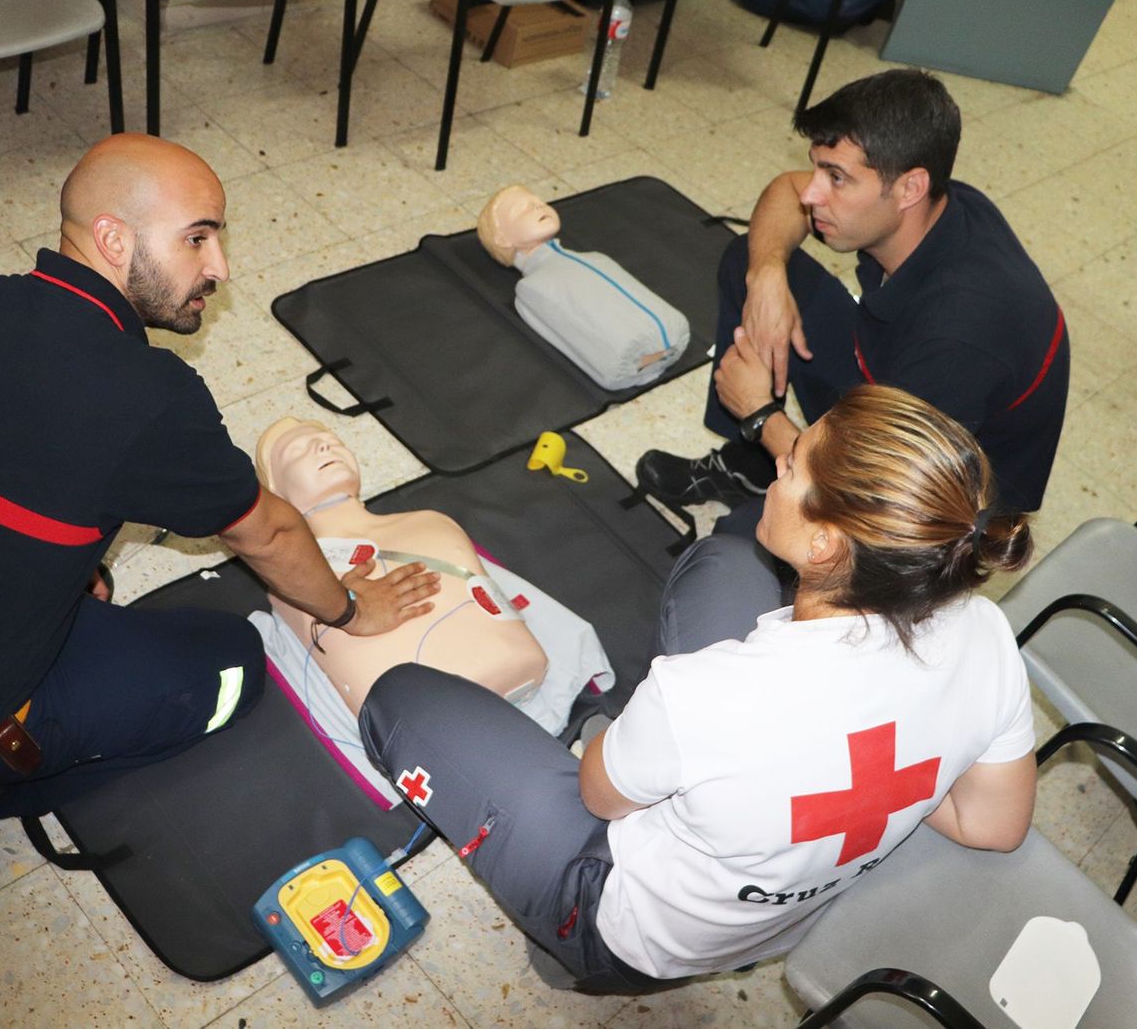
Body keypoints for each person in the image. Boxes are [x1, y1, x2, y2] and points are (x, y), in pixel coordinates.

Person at [0, 134, 438, 823]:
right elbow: (270, 534)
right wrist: (350, 611)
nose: (220, 268)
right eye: (197, 239)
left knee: (82, 585)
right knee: (236, 664)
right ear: (113, 240)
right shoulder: (150, 397)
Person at [359, 384, 1038, 992]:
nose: (777, 465)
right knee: (727, 559)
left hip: (628, 932)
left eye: (792, 465)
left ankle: (570, 947)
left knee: (398, 698)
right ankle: (680, 777)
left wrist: (674, 742)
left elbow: (600, 796)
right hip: (776, 916)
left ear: (826, 546)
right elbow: (995, 825)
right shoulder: (984, 633)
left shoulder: (706, 696)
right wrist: (896, 782)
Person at [638, 69, 1067, 519]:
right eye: (818, 168)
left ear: (910, 187)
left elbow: (873, 498)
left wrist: (759, 414)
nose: (811, 192)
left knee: (742, 549)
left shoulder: (961, 332)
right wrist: (766, 277)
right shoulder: (931, 206)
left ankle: (774, 455)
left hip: (939, 510)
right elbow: (786, 191)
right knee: (751, 258)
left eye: (837, 178)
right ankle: (753, 468)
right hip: (897, 390)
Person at [254, 417, 546, 714]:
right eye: (297, 451)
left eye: (333, 442)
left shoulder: (431, 522)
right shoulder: (292, 579)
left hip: (512, 666)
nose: (323, 447)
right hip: (421, 711)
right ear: (275, 492)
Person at [477, 184, 689, 390]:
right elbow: (578, 341)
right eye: (522, 209)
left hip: (669, 339)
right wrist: (641, 357)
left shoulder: (594, 258)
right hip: (633, 360)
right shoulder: (533, 288)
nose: (538, 205)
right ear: (503, 240)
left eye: (539, 201)